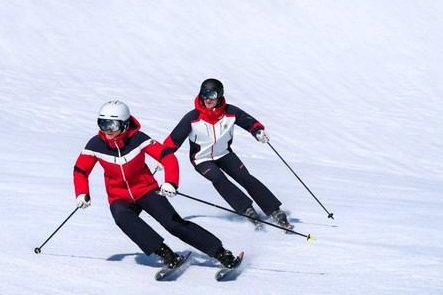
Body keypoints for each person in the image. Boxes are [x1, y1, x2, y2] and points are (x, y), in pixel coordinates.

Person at [73, 100, 241, 269]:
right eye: (102, 123)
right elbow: (80, 170)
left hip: (146, 190)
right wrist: (81, 192)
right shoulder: (95, 145)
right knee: (122, 218)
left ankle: (220, 253)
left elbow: (167, 157)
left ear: (124, 124)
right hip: (118, 196)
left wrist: (170, 182)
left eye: (112, 125)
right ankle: (166, 255)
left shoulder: (138, 139)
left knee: (173, 224)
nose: (107, 130)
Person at [163, 78, 293, 230]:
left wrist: (258, 131)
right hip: (201, 159)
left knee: (245, 177)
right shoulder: (192, 118)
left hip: (224, 154)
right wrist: (163, 157)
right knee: (219, 179)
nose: (207, 98)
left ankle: (274, 210)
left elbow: (249, 122)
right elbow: (173, 140)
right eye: (204, 94)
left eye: (211, 94)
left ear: (219, 95)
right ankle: (246, 209)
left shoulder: (230, 112)